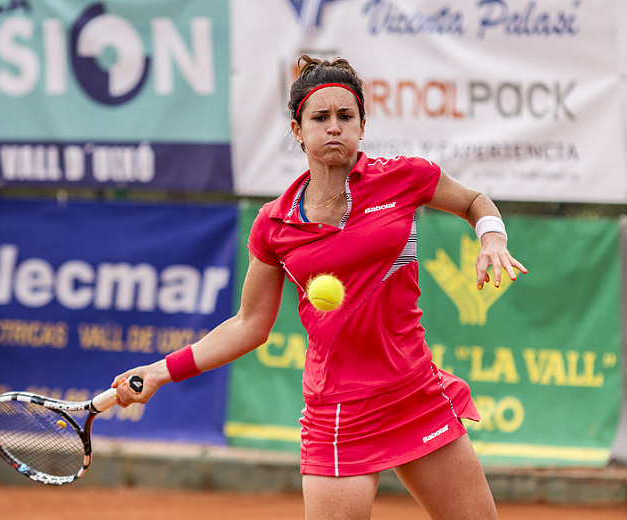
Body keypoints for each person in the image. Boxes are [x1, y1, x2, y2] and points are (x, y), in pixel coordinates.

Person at [112, 55, 527, 520]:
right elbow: (249, 324)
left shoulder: (405, 177)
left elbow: (473, 200)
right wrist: (160, 372)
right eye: (320, 118)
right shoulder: (274, 224)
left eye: (345, 117)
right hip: (338, 414)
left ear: (362, 126)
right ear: (297, 130)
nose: (334, 128)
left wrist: (491, 236)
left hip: (414, 393)